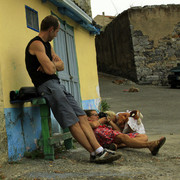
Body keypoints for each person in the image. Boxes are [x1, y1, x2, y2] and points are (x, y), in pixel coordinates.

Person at [25, 15, 121, 163]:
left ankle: (99, 150)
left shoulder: (47, 46)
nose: (57, 35)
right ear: (51, 29)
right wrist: (52, 66)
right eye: (56, 32)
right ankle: (95, 153)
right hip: (47, 87)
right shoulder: (36, 44)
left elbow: (60, 66)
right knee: (72, 122)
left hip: (57, 85)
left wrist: (51, 64)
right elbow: (51, 70)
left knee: (81, 115)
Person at [85, 110, 166, 156]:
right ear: (88, 117)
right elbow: (93, 124)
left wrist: (109, 121)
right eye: (95, 115)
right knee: (122, 137)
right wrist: (102, 120)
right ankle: (150, 145)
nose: (97, 116)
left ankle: (118, 146)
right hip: (107, 138)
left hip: (113, 136)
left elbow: (118, 131)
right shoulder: (87, 122)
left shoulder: (100, 123)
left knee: (143, 137)